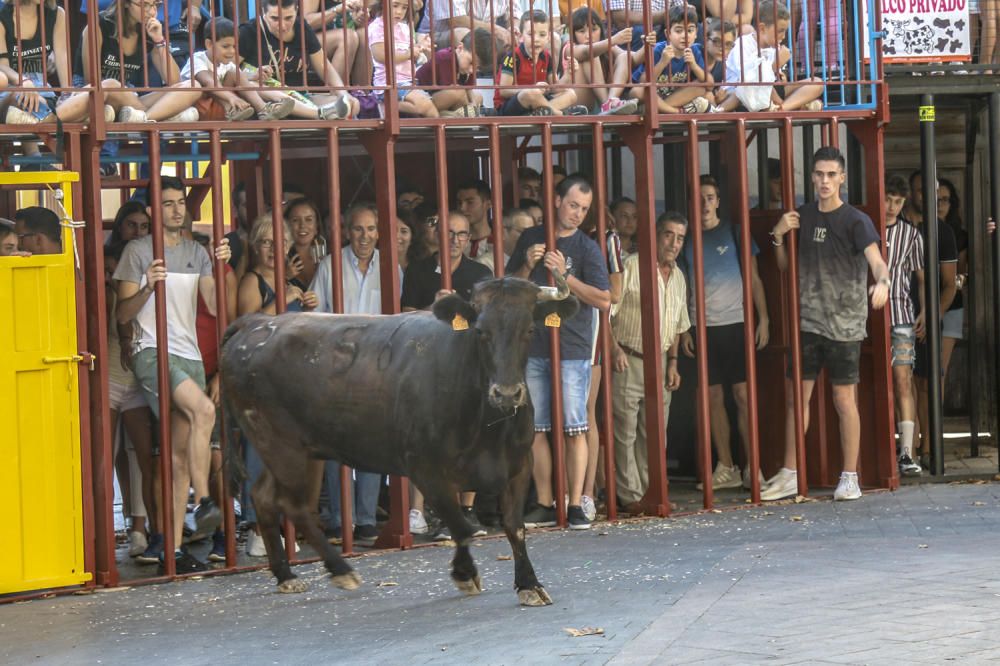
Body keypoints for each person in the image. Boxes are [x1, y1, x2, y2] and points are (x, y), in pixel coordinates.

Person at [113, 175, 230, 573]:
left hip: (190, 355)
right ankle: (203, 501)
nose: (178, 209)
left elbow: (215, 307)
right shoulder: (137, 250)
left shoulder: (198, 252)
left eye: (181, 202)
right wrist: (148, 287)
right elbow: (122, 316)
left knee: (179, 457)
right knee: (205, 412)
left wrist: (220, 264)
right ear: (151, 210)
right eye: (167, 204)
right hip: (152, 351)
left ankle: (174, 552)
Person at [763, 146, 890, 502]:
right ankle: (790, 473)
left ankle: (850, 477)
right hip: (808, 320)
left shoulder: (856, 220)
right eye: (819, 174)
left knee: (842, 399)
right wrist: (777, 234)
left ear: (842, 179)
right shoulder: (803, 215)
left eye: (831, 175)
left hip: (845, 324)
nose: (824, 181)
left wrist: (883, 282)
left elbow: (877, 261)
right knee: (795, 398)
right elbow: (787, 267)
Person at [507, 175, 611, 530]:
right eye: (572, 205)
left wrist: (566, 276)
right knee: (536, 427)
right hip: (534, 343)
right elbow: (510, 287)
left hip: (571, 346)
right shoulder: (530, 238)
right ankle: (545, 502)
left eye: (584, 208)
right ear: (556, 201)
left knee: (574, 426)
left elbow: (604, 299)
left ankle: (576, 503)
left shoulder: (587, 247)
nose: (578, 213)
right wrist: (526, 263)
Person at [401, 210, 492, 539]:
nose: (455, 241)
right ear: (436, 236)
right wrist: (434, 307)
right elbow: (406, 316)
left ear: (470, 238)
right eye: (449, 234)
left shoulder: (480, 272)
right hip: (432, 363)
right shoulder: (420, 270)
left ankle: (468, 510)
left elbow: (490, 320)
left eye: (462, 234)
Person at [310, 203, 394, 545]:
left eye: (371, 229)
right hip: (339, 369)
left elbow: (396, 314)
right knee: (336, 445)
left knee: (374, 444)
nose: (365, 236)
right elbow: (316, 314)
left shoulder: (389, 268)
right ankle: (339, 518)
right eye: (358, 229)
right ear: (347, 231)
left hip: (376, 369)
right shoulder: (330, 266)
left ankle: (366, 519)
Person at [680, 175, 770, 492]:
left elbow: (755, 278)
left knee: (744, 396)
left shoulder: (735, 232)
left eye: (710, 197)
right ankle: (727, 466)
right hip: (701, 328)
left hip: (736, 325)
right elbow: (680, 288)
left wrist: (764, 319)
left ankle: (753, 468)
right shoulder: (685, 239)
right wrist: (683, 329)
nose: (704, 203)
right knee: (713, 397)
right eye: (699, 197)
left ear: (718, 200)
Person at [237, 213, 315, 556]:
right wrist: (283, 297)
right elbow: (247, 326)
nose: (273, 249)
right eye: (266, 242)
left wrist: (312, 304)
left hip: (292, 378)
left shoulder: (293, 280)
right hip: (259, 378)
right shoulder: (252, 281)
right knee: (260, 453)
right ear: (256, 246)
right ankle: (257, 527)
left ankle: (289, 524)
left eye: (278, 242)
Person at [611, 212, 688, 513]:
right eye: (668, 235)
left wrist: (673, 361)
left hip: (659, 363)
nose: (674, 243)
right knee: (626, 432)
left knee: (654, 434)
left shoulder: (679, 276)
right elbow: (607, 314)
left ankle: (650, 492)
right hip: (629, 358)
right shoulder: (631, 267)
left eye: (680, 238)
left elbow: (679, 324)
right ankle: (630, 496)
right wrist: (614, 349)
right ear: (655, 234)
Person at [104, 241, 160, 561]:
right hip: (110, 381)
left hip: (136, 381)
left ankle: (149, 531)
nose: (112, 276)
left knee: (146, 459)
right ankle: (103, 540)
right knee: (104, 461)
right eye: (108, 271)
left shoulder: (145, 289)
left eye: (117, 271)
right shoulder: (105, 293)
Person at [76, 0, 202, 123]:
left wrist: (159, 40)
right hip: (92, 94)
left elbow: (174, 81)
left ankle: (144, 117)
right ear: (125, 3)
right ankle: (164, 115)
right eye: (144, 5)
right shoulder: (100, 24)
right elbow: (91, 82)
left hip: (128, 98)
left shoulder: (147, 29)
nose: (152, 12)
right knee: (112, 86)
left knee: (193, 86)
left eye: (155, 5)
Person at [237, 0, 358, 120]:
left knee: (353, 104)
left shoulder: (302, 27)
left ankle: (320, 112)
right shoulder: (248, 31)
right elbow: (226, 73)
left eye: (289, 18)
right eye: (274, 19)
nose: (282, 25)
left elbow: (323, 66)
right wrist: (251, 75)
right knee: (253, 85)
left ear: (296, 11)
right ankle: (318, 113)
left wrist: (342, 93)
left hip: (301, 97)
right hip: (267, 103)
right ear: (263, 12)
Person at [883, 175, 924, 476]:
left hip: (900, 315)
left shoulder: (911, 236)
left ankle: (906, 452)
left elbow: (921, 279)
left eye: (898, 201)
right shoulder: (865, 228)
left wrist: (923, 311)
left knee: (902, 381)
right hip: (866, 316)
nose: (892, 206)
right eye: (888, 199)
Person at [0, 0, 95, 126]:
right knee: (21, 99)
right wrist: (23, 81)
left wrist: (67, 94)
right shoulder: (2, 15)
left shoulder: (57, 14)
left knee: (93, 92)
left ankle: (51, 116)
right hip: (13, 90)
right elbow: (3, 66)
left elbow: (62, 56)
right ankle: (74, 115)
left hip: (44, 90)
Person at [717, 0, 822, 113]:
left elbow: (776, 81)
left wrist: (782, 78)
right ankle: (794, 106)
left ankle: (781, 109)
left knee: (817, 82)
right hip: (743, 95)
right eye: (780, 31)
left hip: (770, 92)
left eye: (785, 31)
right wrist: (776, 64)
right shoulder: (742, 44)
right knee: (765, 90)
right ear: (762, 28)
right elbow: (748, 80)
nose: (783, 36)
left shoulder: (776, 48)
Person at [183, 17, 294, 121]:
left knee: (235, 73)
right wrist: (232, 97)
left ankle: (263, 109)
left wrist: (255, 75)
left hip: (222, 108)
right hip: (200, 110)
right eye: (226, 46)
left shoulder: (227, 64)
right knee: (212, 83)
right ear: (209, 44)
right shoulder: (197, 59)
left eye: (234, 46)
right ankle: (233, 108)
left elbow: (242, 77)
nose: (232, 51)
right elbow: (208, 82)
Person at [622, 5, 709, 114]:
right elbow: (643, 81)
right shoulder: (658, 50)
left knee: (700, 88)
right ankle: (676, 112)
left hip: (672, 97)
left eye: (690, 30)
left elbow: (709, 84)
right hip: (652, 94)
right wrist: (663, 62)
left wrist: (694, 65)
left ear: (696, 33)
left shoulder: (695, 51)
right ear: (668, 34)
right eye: (678, 31)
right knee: (638, 91)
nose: (685, 36)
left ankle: (659, 109)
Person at [494, 10, 583, 116]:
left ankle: (539, 112)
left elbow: (554, 88)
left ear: (548, 37)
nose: (536, 39)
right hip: (509, 105)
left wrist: (568, 74)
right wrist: (532, 89)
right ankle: (558, 113)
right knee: (530, 93)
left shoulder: (546, 57)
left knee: (571, 94)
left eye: (542, 35)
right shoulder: (513, 57)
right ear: (521, 36)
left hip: (537, 101)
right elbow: (504, 91)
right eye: (531, 34)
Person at [558, 7, 638, 114]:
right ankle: (607, 104)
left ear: (601, 30)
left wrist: (647, 46)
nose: (588, 36)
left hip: (597, 104)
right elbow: (586, 52)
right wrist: (613, 40)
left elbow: (632, 58)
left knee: (624, 56)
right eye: (582, 31)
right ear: (573, 33)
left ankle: (611, 100)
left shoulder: (606, 45)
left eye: (594, 30)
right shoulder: (569, 48)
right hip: (575, 104)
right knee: (591, 53)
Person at [369, 0, 437, 117]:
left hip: (409, 81)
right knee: (427, 107)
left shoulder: (405, 28)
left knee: (433, 112)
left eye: (404, 8)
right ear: (382, 4)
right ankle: (383, 103)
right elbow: (381, 56)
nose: (399, 11)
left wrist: (421, 47)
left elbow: (412, 55)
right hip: (389, 83)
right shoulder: (376, 27)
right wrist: (410, 53)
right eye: (395, 6)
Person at [414, 28, 497, 117]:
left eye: (477, 68)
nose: (472, 70)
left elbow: (469, 89)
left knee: (478, 96)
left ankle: (466, 114)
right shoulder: (444, 58)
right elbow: (452, 91)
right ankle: (467, 115)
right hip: (425, 99)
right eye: (471, 63)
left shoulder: (467, 66)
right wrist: (469, 107)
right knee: (458, 91)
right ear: (460, 48)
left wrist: (473, 104)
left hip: (446, 100)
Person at [285, 197, 327, 291]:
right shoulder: (277, 258)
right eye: (295, 220)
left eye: (308, 220)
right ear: (286, 226)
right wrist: (285, 277)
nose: (302, 225)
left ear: (317, 226)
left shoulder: (328, 256)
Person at [476, 207, 535, 274]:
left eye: (532, 233)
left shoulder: (534, 260)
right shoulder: (485, 263)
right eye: (524, 232)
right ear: (502, 233)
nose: (530, 237)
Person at [455, 179, 493, 259]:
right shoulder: (452, 242)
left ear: (488, 204)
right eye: (459, 203)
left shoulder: (501, 242)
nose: (462, 208)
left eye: (470, 202)